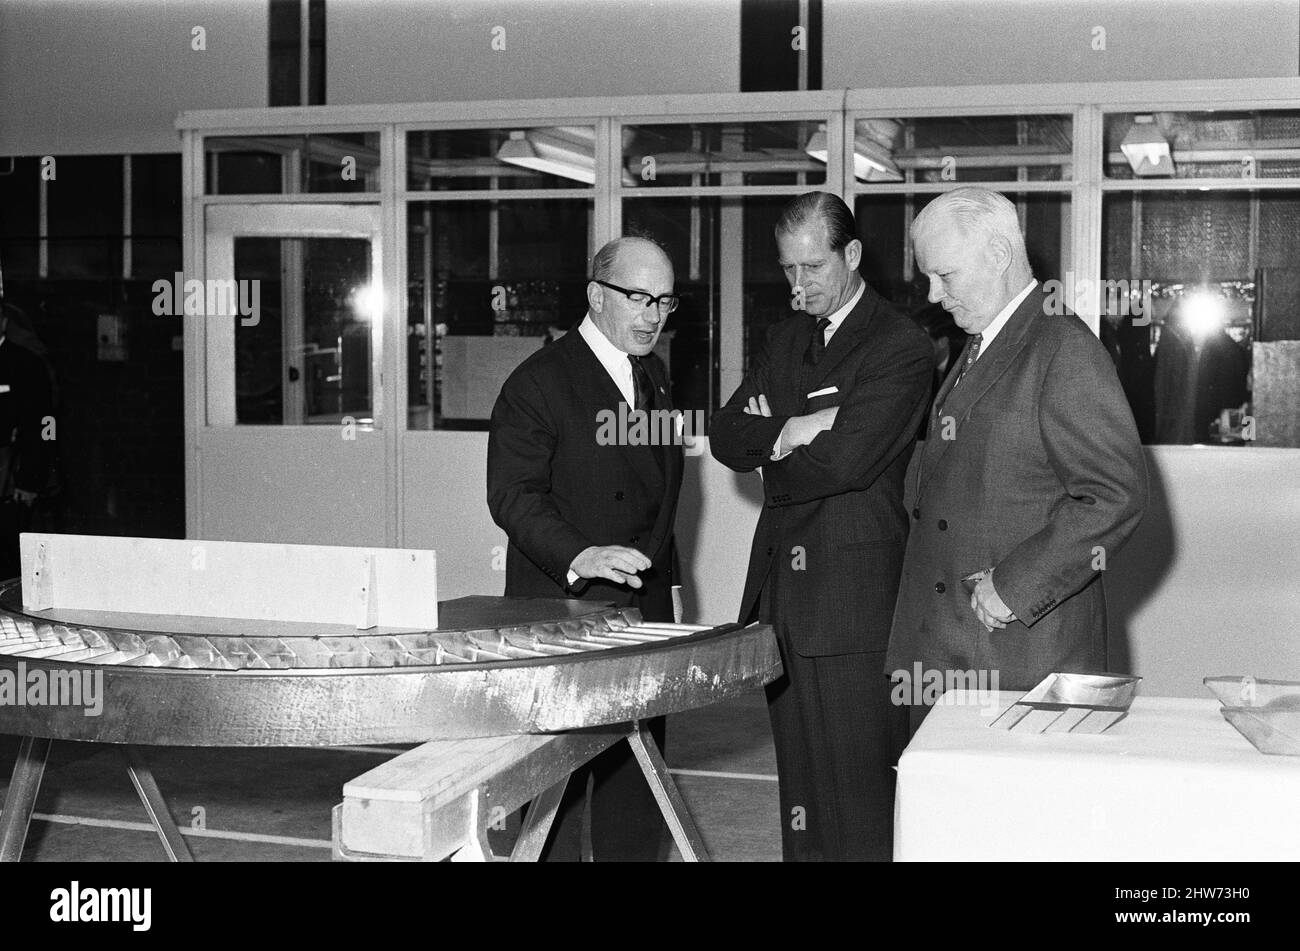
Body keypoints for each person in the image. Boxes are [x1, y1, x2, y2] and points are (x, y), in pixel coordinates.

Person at [708, 192, 933, 862]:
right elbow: (726, 434)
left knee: (860, 799)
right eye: (788, 270)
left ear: (853, 255)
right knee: (799, 796)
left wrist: (777, 447)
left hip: (854, 604)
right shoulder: (787, 338)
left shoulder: (900, 345)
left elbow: (847, 461)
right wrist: (794, 428)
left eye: (813, 267)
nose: (799, 284)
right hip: (784, 599)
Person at [887, 187, 1148, 722]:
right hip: (955, 649)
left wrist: (1014, 586)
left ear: (999, 255)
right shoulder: (986, 342)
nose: (934, 295)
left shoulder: (1064, 348)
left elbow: (1113, 495)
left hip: (1018, 656)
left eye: (945, 275)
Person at [487, 236, 683, 862]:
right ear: (597, 295)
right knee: (556, 789)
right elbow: (513, 496)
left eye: (664, 300)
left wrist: (669, 593)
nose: (652, 314)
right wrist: (581, 556)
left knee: (637, 774)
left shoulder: (653, 377)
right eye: (638, 297)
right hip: (563, 608)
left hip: (640, 612)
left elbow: (660, 490)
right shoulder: (539, 382)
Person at [0, 303, 56, 581]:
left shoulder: (25, 363)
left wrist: (30, 480)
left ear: (4, 322)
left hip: (10, 481)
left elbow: (43, 425)